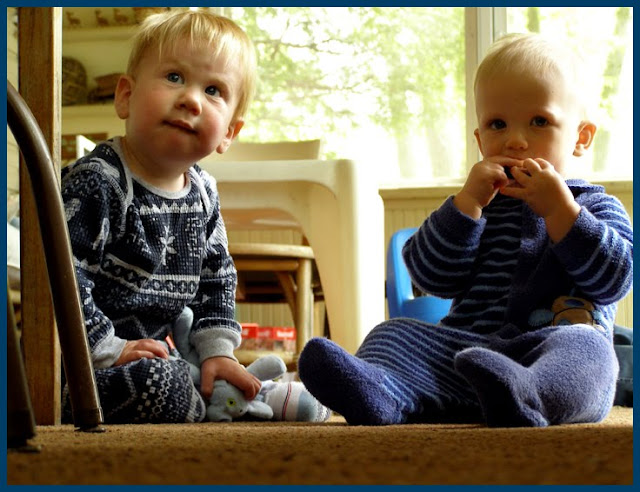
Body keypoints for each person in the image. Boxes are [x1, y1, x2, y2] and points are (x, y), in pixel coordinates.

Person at [298, 33, 633, 427]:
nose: (515, 140)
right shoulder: (477, 204)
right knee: (391, 334)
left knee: (591, 353)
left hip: (551, 352)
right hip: (466, 355)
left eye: (539, 121)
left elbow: (615, 279)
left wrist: (562, 211)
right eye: (497, 124)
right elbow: (432, 277)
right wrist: (466, 206)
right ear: (479, 138)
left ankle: (527, 396)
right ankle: (382, 392)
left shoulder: (597, 207)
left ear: (581, 137)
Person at [61, 9, 261, 423]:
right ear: (126, 96)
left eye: (213, 90)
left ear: (228, 133)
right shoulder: (98, 181)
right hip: (79, 362)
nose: (191, 99)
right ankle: (205, 400)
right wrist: (108, 346)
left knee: (226, 380)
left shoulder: (204, 193)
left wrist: (218, 353)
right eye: (174, 77)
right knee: (164, 386)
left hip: (160, 351)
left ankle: (226, 393)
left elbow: (216, 279)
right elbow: (61, 275)